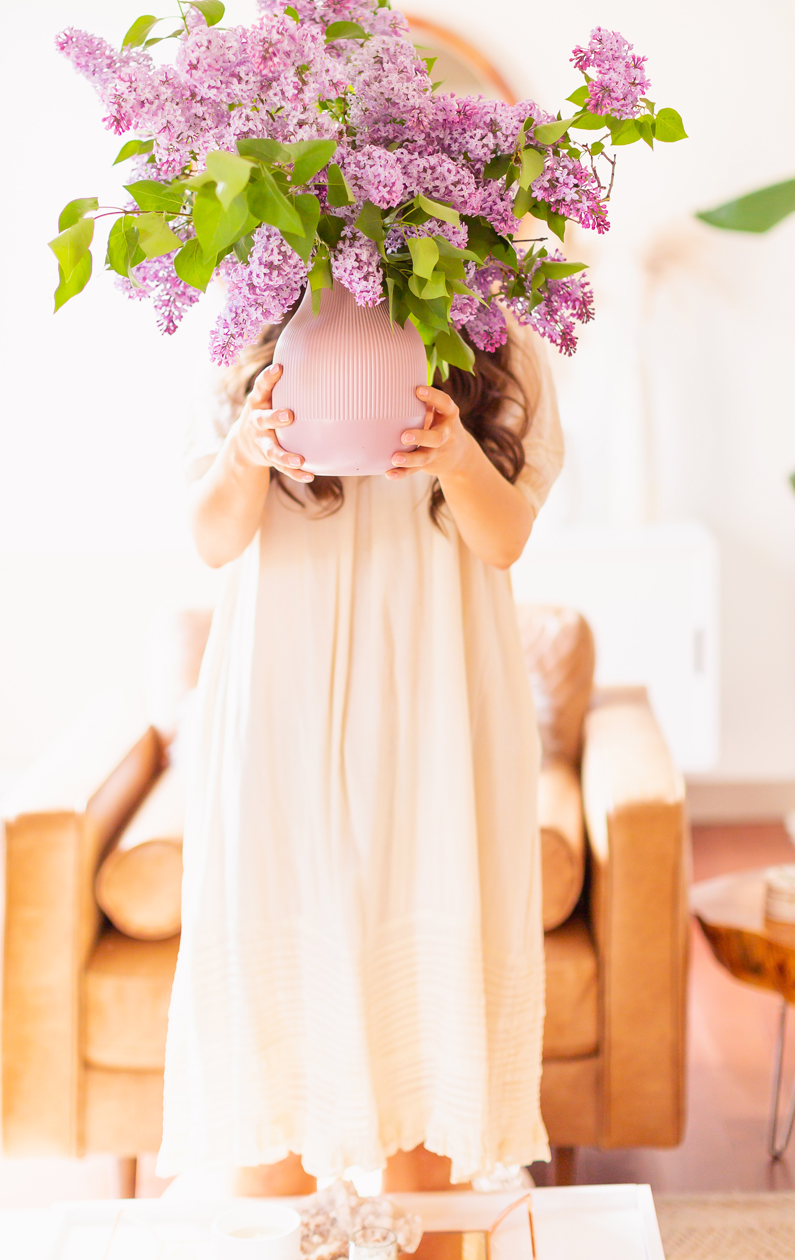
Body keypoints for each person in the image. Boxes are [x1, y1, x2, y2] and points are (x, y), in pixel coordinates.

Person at [155, 314, 564, 1196]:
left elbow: (506, 539)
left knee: (426, 1104)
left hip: (437, 715)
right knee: (271, 1121)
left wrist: (457, 458)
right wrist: (249, 448)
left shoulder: (501, 342)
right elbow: (212, 540)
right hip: (282, 716)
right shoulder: (246, 329)